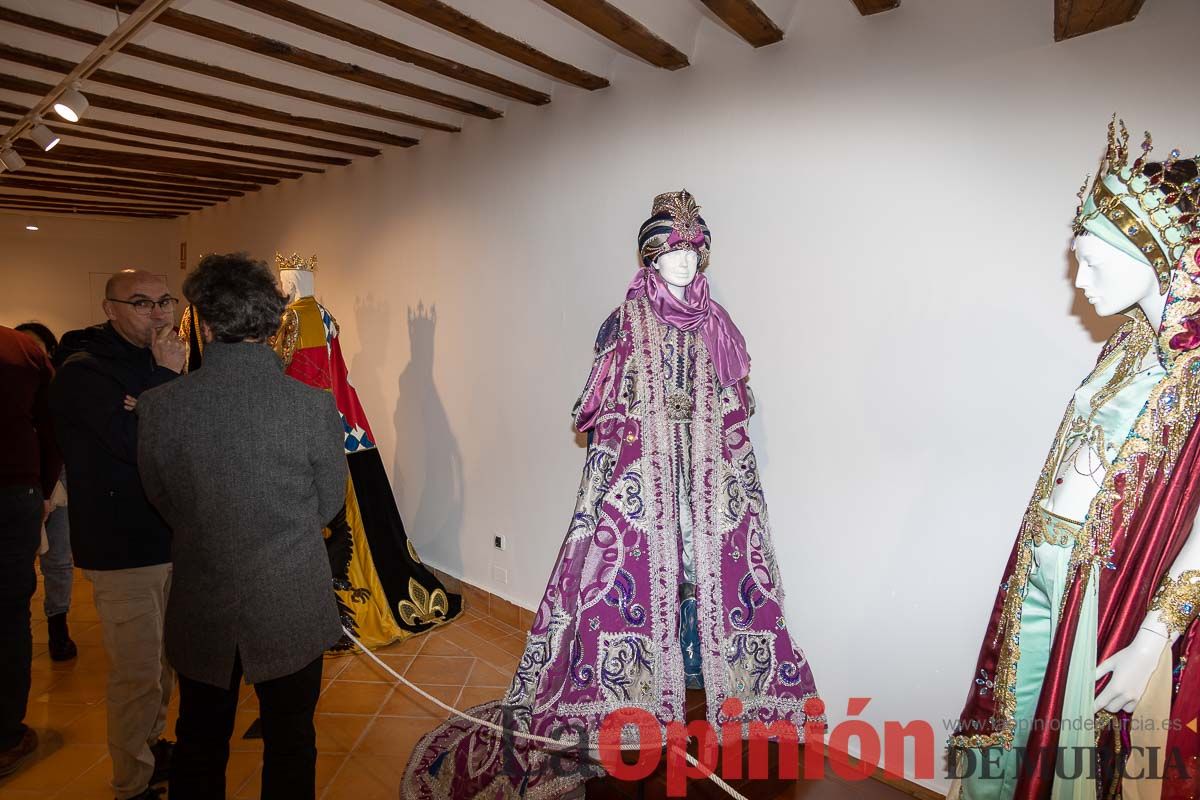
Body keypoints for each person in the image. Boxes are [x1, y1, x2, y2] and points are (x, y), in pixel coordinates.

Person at [137, 253, 347, 800]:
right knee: (291, 738)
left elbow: (162, 496)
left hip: (204, 593)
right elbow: (328, 504)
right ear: (274, 324)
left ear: (203, 324)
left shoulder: (160, 405)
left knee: (200, 739)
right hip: (290, 597)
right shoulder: (312, 407)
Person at [51, 270, 184, 800]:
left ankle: (154, 747)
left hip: (169, 537)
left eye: (165, 301)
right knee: (136, 675)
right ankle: (132, 784)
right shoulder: (84, 373)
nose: (158, 312)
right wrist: (163, 385)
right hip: (121, 546)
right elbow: (135, 443)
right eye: (141, 302)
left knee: (165, 664)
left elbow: (172, 440)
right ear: (110, 309)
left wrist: (151, 394)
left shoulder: (153, 365)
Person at [0, 324, 61, 778]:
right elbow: (52, 421)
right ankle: (4, 733)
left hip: (15, 490)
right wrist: (43, 485)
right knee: (7, 612)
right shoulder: (19, 348)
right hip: (13, 490)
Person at [15, 322, 76, 662]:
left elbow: (58, 439)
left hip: (56, 478)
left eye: (35, 348)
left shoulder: (57, 388)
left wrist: (51, 486)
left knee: (58, 558)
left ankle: (58, 625)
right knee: (19, 560)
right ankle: (18, 624)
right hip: (20, 485)